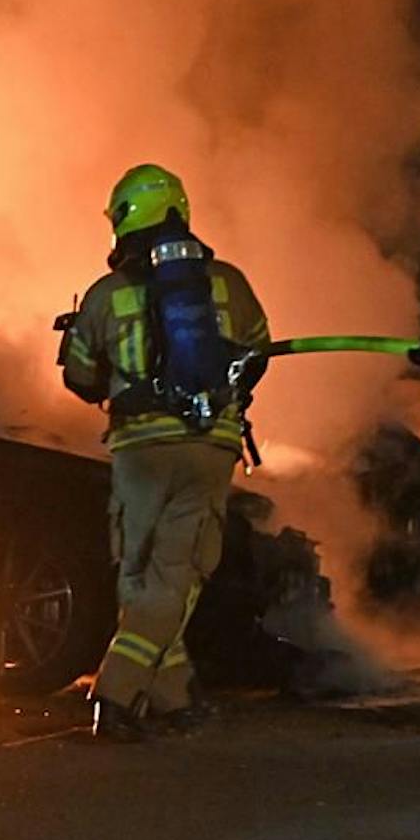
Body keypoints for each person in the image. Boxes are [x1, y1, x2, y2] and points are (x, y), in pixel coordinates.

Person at [59, 164, 269, 740]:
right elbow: (258, 352)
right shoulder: (227, 283)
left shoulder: (104, 296)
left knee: (140, 573)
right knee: (173, 576)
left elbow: (80, 379)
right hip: (209, 447)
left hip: (138, 451)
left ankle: (119, 691)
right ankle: (167, 699)